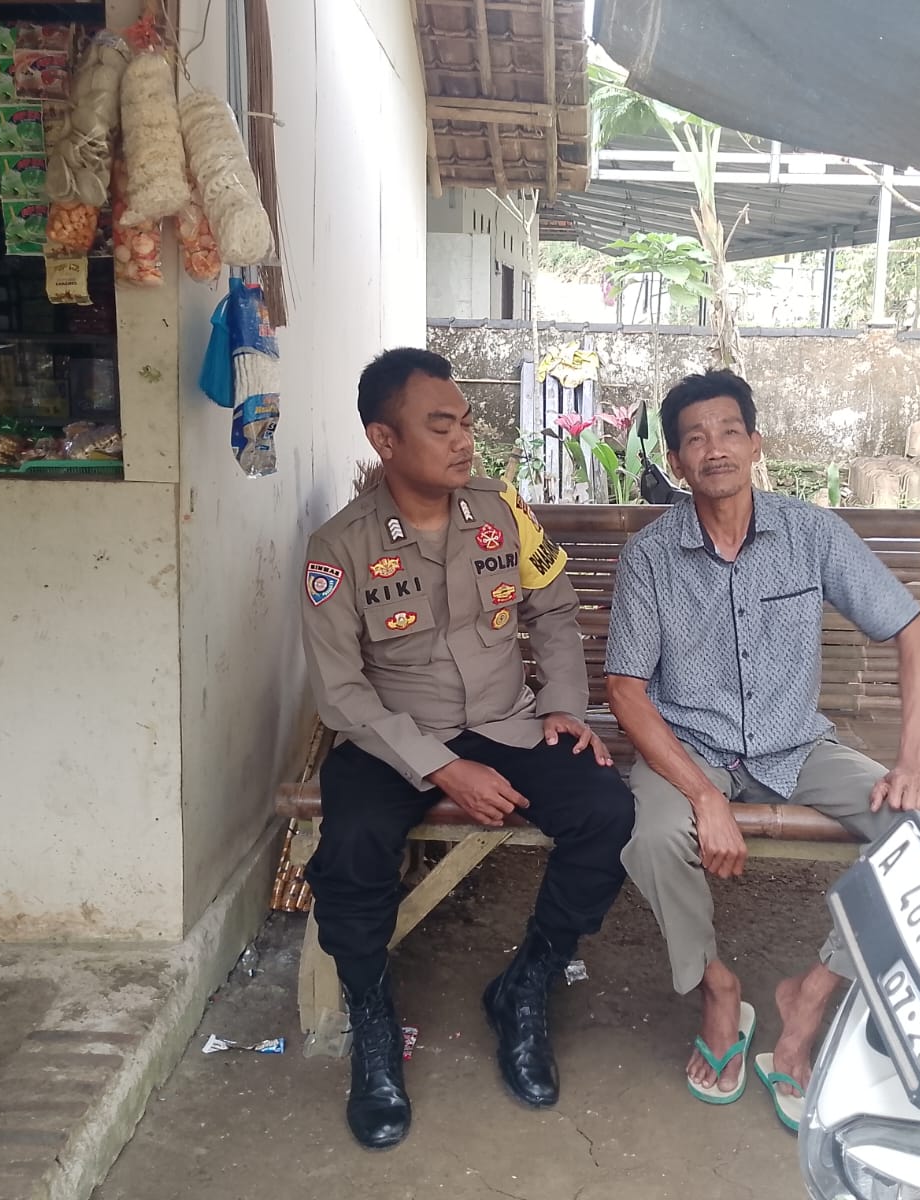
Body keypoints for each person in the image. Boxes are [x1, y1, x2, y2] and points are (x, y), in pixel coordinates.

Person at [301, 348, 635, 1150]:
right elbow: (340, 693)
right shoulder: (338, 548)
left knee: (606, 810)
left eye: (465, 423)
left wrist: (563, 706)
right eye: (440, 426)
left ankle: (527, 983)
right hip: (394, 737)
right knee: (352, 845)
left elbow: (553, 610)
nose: (463, 441)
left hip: (508, 722)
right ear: (385, 440)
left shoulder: (500, 511)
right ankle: (372, 1018)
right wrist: (444, 768)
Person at [603, 369, 920, 1129]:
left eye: (730, 431)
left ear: (756, 444)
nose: (715, 448)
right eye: (696, 438)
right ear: (676, 460)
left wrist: (913, 759)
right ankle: (718, 989)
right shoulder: (651, 557)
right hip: (691, 748)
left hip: (796, 744)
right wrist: (703, 796)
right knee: (653, 836)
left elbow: (912, 629)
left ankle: (810, 996)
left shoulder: (810, 533)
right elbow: (625, 690)